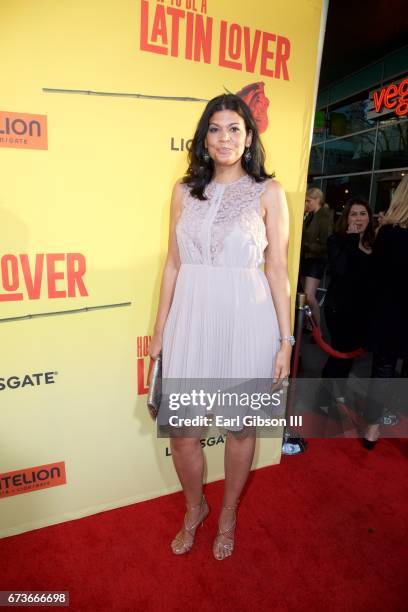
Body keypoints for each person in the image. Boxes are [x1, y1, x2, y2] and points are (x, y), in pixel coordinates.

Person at [148, 94, 292, 560]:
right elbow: (172, 265)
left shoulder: (269, 192)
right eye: (215, 129)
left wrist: (285, 341)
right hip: (190, 319)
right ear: (203, 138)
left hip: (247, 321)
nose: (224, 138)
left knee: (239, 429)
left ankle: (228, 510)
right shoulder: (183, 191)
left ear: (249, 137)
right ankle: (196, 507)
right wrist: (159, 329)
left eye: (234, 128)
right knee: (184, 431)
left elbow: (277, 272)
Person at [363, 175, 408, 449]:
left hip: (389, 313)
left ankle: (372, 428)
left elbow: (374, 278)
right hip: (396, 312)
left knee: (383, 370)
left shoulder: (387, 234)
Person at [320, 198, 375, 417]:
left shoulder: (375, 242)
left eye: (363, 214)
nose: (359, 218)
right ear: (346, 218)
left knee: (349, 357)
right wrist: (352, 240)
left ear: (369, 218)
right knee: (339, 354)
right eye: (354, 214)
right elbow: (341, 270)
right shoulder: (337, 240)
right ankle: (325, 400)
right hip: (339, 309)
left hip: (363, 311)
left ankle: (335, 396)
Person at [300, 188, 333, 326]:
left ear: (318, 200)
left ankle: (317, 328)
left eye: (309, 201)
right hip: (308, 259)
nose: (306, 203)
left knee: (310, 296)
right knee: (307, 296)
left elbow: (327, 243)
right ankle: (311, 325)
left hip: (317, 259)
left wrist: (308, 246)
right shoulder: (311, 215)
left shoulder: (324, 216)